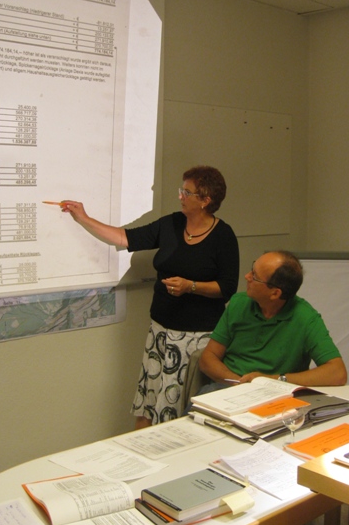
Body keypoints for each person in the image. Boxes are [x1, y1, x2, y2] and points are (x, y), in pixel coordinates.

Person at [61, 166, 239, 428]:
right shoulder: (171, 224)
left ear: (205, 200)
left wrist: (190, 286)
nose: (180, 196)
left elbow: (227, 287)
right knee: (148, 402)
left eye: (186, 192)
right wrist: (83, 218)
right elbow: (124, 237)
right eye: (181, 190)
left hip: (195, 339)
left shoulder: (223, 236)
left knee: (177, 409)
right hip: (160, 331)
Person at [199, 250, 347, 387]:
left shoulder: (306, 318)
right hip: (228, 386)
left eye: (255, 276)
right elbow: (208, 358)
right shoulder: (239, 303)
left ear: (275, 293)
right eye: (252, 269)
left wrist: (274, 380)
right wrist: (239, 383)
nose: (247, 276)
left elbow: (337, 373)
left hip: (277, 393)